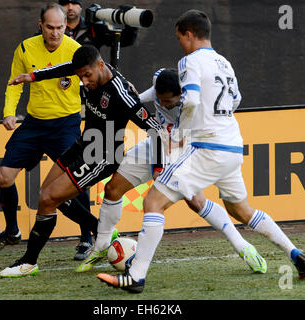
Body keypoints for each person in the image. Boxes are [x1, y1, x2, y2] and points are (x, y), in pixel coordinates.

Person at [97, 10, 305, 293]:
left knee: (153, 203)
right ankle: (294, 253)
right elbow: (236, 100)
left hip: (207, 146)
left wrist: (181, 134)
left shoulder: (189, 61)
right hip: (232, 145)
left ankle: (135, 276)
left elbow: (191, 101)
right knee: (242, 210)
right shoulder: (224, 63)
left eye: (179, 38)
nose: (179, 44)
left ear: (189, 34)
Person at [76, 68, 267, 274]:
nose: (163, 103)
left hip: (179, 150)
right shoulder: (160, 78)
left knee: (196, 202)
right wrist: (135, 97)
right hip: (154, 144)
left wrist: (161, 166)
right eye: (162, 99)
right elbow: (153, 95)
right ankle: (101, 246)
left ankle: (243, 247)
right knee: (113, 189)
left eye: (168, 101)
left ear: (181, 96)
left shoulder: (193, 107)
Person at [0, 45, 163, 278]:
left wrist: (158, 167)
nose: (84, 81)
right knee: (47, 194)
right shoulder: (89, 71)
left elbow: (155, 129)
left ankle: (29, 262)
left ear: (100, 65)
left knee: (48, 198)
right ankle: (102, 232)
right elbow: (68, 67)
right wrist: (33, 76)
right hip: (84, 144)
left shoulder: (121, 93)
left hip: (102, 155)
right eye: (80, 76)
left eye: (87, 75)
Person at [0, 3, 99, 261]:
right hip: (35, 124)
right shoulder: (25, 48)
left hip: (65, 124)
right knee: (4, 176)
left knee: (75, 180)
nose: (56, 33)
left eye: (60, 27)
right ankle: (12, 231)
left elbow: (93, 80)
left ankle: (86, 238)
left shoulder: (76, 50)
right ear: (40, 25)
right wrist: (9, 112)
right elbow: (14, 84)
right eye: (50, 27)